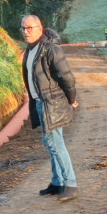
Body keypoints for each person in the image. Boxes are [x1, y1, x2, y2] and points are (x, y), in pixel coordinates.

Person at [21, 15, 79, 202]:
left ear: (40, 27)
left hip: (52, 103)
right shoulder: (30, 50)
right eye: (23, 28)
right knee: (51, 144)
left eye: (29, 28)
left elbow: (66, 76)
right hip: (39, 103)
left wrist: (71, 99)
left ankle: (70, 184)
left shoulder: (51, 50)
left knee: (55, 144)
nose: (26, 31)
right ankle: (57, 182)